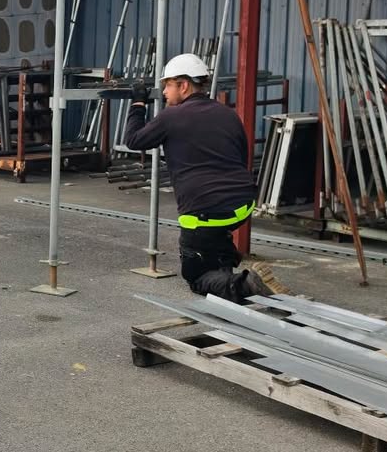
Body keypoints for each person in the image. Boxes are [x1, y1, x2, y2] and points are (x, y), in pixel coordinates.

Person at [123, 53, 289, 303]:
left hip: (204, 213)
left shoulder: (172, 117)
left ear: (183, 85)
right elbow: (242, 156)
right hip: (242, 206)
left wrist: (138, 103)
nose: (164, 92)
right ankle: (224, 261)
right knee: (214, 230)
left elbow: (134, 140)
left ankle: (246, 284)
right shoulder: (228, 114)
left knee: (196, 276)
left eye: (167, 85)